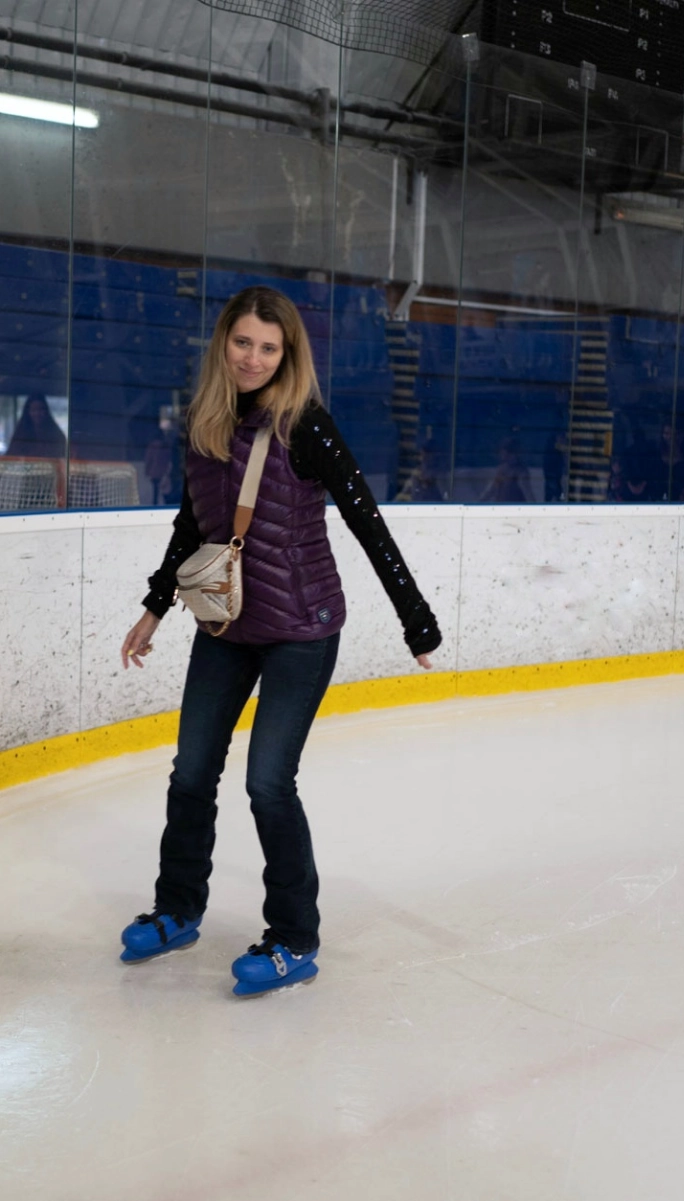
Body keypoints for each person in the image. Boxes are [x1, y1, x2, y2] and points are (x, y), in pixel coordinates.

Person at [117, 286, 441, 996]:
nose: (254, 358)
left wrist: (414, 617)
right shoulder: (203, 422)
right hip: (225, 625)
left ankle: (293, 938)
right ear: (223, 344)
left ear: (286, 354)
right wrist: (154, 608)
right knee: (191, 772)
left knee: (267, 782)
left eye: (269, 347)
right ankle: (177, 909)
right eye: (243, 343)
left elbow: (366, 520)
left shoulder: (307, 426)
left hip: (301, 628)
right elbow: (192, 525)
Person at [7, 393, 65, 459]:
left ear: (46, 412)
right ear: (28, 412)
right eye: (33, 410)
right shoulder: (20, 434)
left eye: (41, 409)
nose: (37, 413)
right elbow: (12, 457)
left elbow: (62, 455)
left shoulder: (56, 434)